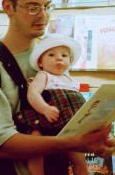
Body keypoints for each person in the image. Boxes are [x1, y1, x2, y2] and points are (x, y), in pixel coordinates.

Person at [0, 0, 115, 174]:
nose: (43, 15)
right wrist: (74, 142)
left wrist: (98, 140)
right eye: (33, 8)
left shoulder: (53, 59)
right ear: (8, 7)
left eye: (48, 6)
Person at [16, 33, 88, 175]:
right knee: (35, 148)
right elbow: (33, 93)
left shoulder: (70, 80)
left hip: (68, 126)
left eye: (64, 55)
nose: (59, 58)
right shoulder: (44, 75)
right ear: (40, 62)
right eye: (51, 55)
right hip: (44, 121)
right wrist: (45, 108)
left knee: (79, 158)